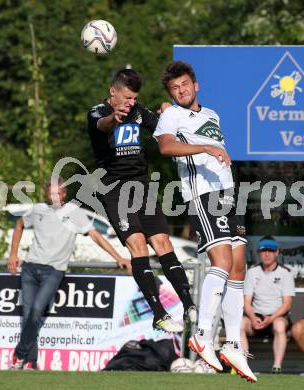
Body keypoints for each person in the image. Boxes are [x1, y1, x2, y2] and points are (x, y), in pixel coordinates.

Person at [153, 60, 256, 382]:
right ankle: (202, 334)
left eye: (184, 84)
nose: (180, 90)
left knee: (239, 267)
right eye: (174, 88)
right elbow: (166, 146)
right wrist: (206, 147)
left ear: (195, 85)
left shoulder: (212, 114)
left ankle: (235, 345)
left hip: (227, 196)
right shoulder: (172, 114)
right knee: (222, 261)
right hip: (203, 196)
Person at [87, 68, 196, 333]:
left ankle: (189, 305)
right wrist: (115, 117)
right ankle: (158, 313)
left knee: (162, 241)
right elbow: (103, 126)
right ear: (113, 92)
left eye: (134, 98)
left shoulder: (136, 111)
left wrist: (167, 112)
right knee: (137, 244)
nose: (130, 103)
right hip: (115, 190)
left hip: (142, 187)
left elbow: (161, 126)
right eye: (126, 97)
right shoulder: (98, 113)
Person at [7, 177, 131, 370]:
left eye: (58, 192)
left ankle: (19, 355)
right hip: (30, 268)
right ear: (46, 193)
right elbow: (19, 225)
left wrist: (118, 257)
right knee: (29, 315)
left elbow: (96, 236)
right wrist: (13, 254)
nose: (54, 195)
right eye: (50, 192)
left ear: (64, 194)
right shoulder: (38, 209)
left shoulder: (74, 213)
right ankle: (30, 363)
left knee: (37, 311)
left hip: (54, 271)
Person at [241, 236, 295, 373]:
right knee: (239, 325)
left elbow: (287, 304)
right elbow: (246, 301)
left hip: (277, 315)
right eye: (263, 250)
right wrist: (253, 318)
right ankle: (243, 365)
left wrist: (270, 319)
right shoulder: (252, 272)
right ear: (259, 253)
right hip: (256, 316)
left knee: (279, 325)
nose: (267, 254)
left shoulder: (286, 273)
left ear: (277, 252)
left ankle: (276, 367)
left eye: (270, 251)